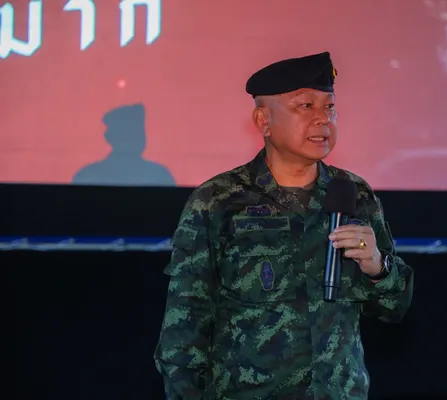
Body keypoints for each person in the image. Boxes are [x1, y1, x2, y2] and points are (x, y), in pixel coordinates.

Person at [154, 51, 414, 400]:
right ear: (263, 121)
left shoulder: (354, 195)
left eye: (330, 107)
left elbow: (394, 309)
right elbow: (183, 329)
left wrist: (377, 267)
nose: (323, 118)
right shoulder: (218, 201)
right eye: (306, 106)